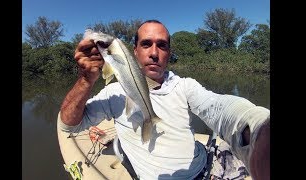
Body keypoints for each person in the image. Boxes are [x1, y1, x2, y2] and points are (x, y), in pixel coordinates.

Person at [59, 19, 270, 180]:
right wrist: (86, 79)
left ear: (168, 53)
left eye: (162, 45)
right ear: (134, 51)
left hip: (202, 166)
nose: (153, 53)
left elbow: (219, 108)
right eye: (146, 44)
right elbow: (69, 125)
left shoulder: (185, 85)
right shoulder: (113, 92)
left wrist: (258, 125)